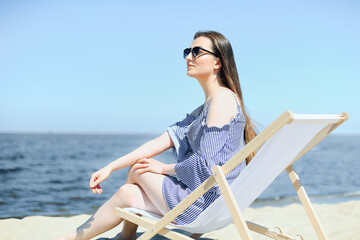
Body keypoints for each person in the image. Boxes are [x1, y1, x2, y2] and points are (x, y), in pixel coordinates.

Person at [57, 30, 256, 240]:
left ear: (217, 62)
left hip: (206, 204)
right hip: (213, 202)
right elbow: (158, 142)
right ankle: (76, 237)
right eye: (188, 51)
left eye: (197, 52)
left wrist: (163, 168)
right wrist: (110, 167)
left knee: (139, 168)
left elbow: (205, 164)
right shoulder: (206, 107)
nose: (189, 57)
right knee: (127, 193)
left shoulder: (222, 99)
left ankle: (123, 237)